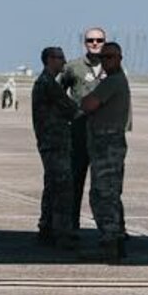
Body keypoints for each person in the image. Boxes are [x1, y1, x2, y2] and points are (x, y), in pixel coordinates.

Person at [79, 40, 132, 263]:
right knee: (109, 192)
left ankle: (109, 242)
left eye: (110, 57)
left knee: (103, 195)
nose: (105, 61)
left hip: (107, 144)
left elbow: (89, 104)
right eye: (103, 57)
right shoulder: (113, 80)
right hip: (106, 143)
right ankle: (115, 238)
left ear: (119, 58)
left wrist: (85, 99)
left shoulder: (112, 82)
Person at [30, 46, 79, 248]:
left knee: (52, 186)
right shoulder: (48, 84)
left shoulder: (47, 83)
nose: (64, 61)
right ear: (49, 59)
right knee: (63, 188)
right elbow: (70, 109)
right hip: (55, 142)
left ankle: (47, 227)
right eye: (60, 58)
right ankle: (62, 233)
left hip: (50, 142)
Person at [62, 27, 109, 235]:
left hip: (104, 135)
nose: (95, 43)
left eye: (99, 40)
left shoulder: (113, 68)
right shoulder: (73, 67)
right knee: (74, 182)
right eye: (91, 40)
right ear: (85, 42)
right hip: (79, 134)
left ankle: (108, 228)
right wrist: (70, 114)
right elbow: (58, 93)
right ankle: (71, 225)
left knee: (105, 185)